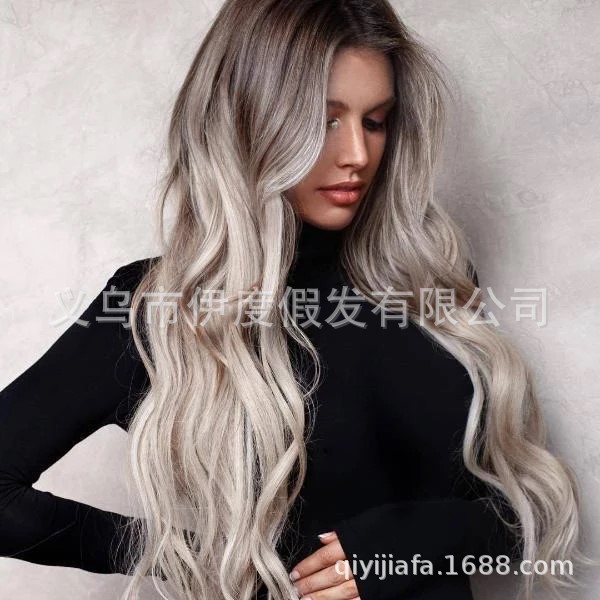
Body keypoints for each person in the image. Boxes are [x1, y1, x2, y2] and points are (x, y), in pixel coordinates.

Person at [0, 1, 594, 599]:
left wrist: (413, 548)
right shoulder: (157, 310)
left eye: (375, 121)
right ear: (249, 121)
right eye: (325, 121)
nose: (357, 154)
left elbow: (522, 517)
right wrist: (192, 556)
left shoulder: (424, 281)